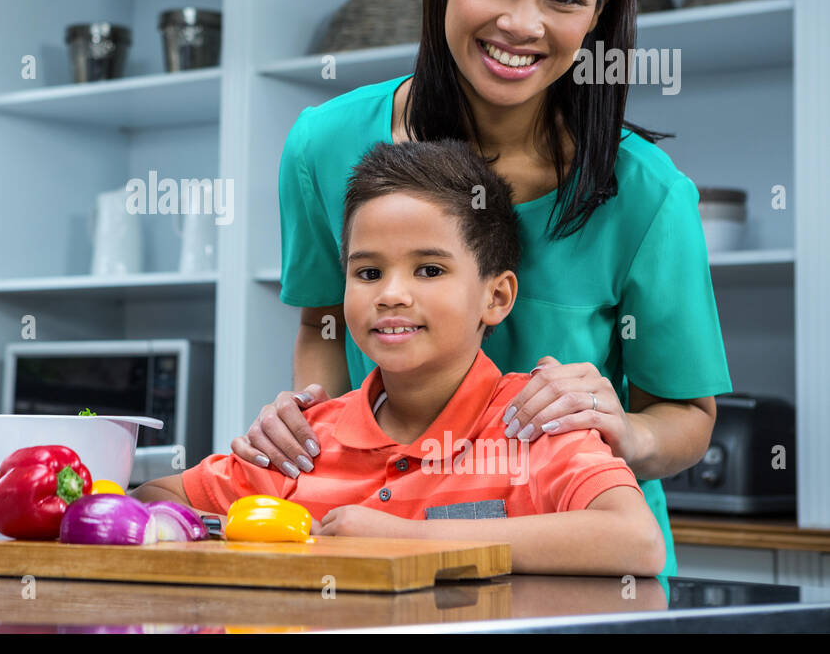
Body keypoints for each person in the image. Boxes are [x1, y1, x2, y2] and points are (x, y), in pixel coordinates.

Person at [228, 0, 730, 578]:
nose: (521, 25)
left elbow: (688, 417)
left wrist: (621, 428)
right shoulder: (324, 147)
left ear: (599, 14)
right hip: (387, 551)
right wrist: (315, 434)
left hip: (578, 562)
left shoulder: (648, 193)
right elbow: (322, 323)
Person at [133, 139, 665, 576]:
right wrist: (260, 535)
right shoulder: (304, 440)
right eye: (368, 273)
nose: (390, 294)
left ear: (496, 297)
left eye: (429, 270)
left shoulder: (536, 421)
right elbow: (151, 499)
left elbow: (634, 543)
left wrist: (408, 539)